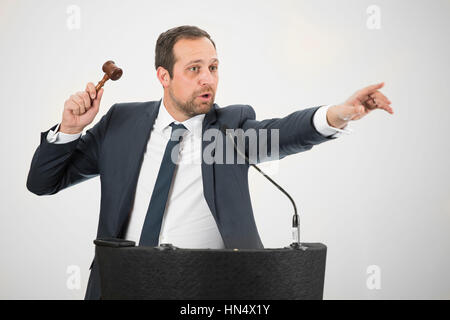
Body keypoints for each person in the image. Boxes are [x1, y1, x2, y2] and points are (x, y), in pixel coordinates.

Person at [26, 25, 394, 299]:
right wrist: (70, 129)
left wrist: (337, 114)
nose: (208, 79)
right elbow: (44, 182)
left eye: (214, 67)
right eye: (194, 68)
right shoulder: (120, 124)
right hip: (122, 286)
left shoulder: (229, 129)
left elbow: (285, 133)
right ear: (163, 76)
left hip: (209, 291)